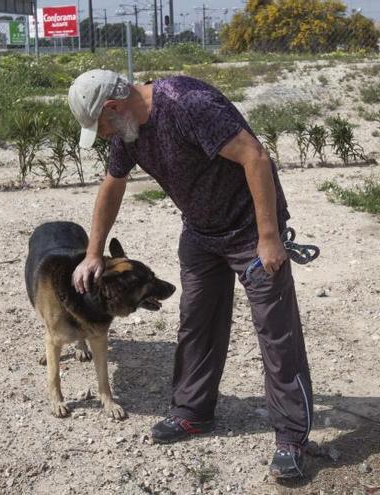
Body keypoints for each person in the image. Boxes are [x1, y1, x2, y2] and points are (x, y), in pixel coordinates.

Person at [67, 69, 313, 479]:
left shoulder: (186, 103)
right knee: (196, 321)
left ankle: (290, 438)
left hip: (250, 230)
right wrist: (94, 253)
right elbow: (113, 185)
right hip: (200, 232)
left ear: (114, 107)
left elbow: (255, 156)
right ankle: (192, 412)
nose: (106, 135)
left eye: (102, 125)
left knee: (276, 332)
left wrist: (269, 236)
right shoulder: (130, 132)